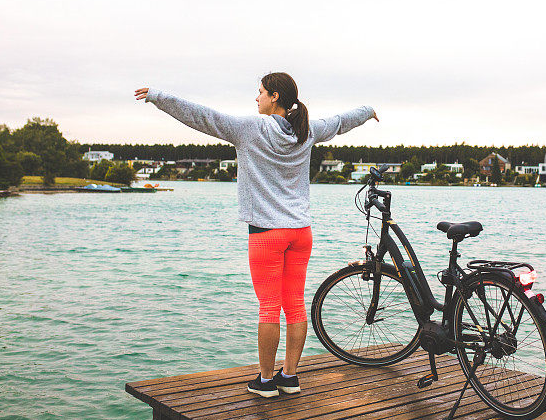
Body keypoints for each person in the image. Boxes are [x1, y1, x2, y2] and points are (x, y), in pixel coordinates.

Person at [134, 72, 377, 397]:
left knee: (268, 307)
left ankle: (265, 381)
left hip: (267, 234)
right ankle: (289, 377)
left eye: (260, 92)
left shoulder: (249, 128)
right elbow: (340, 121)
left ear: (275, 96)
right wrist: (367, 110)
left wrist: (157, 96)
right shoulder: (307, 130)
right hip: (301, 232)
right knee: (295, 305)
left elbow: (201, 116)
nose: (256, 97)